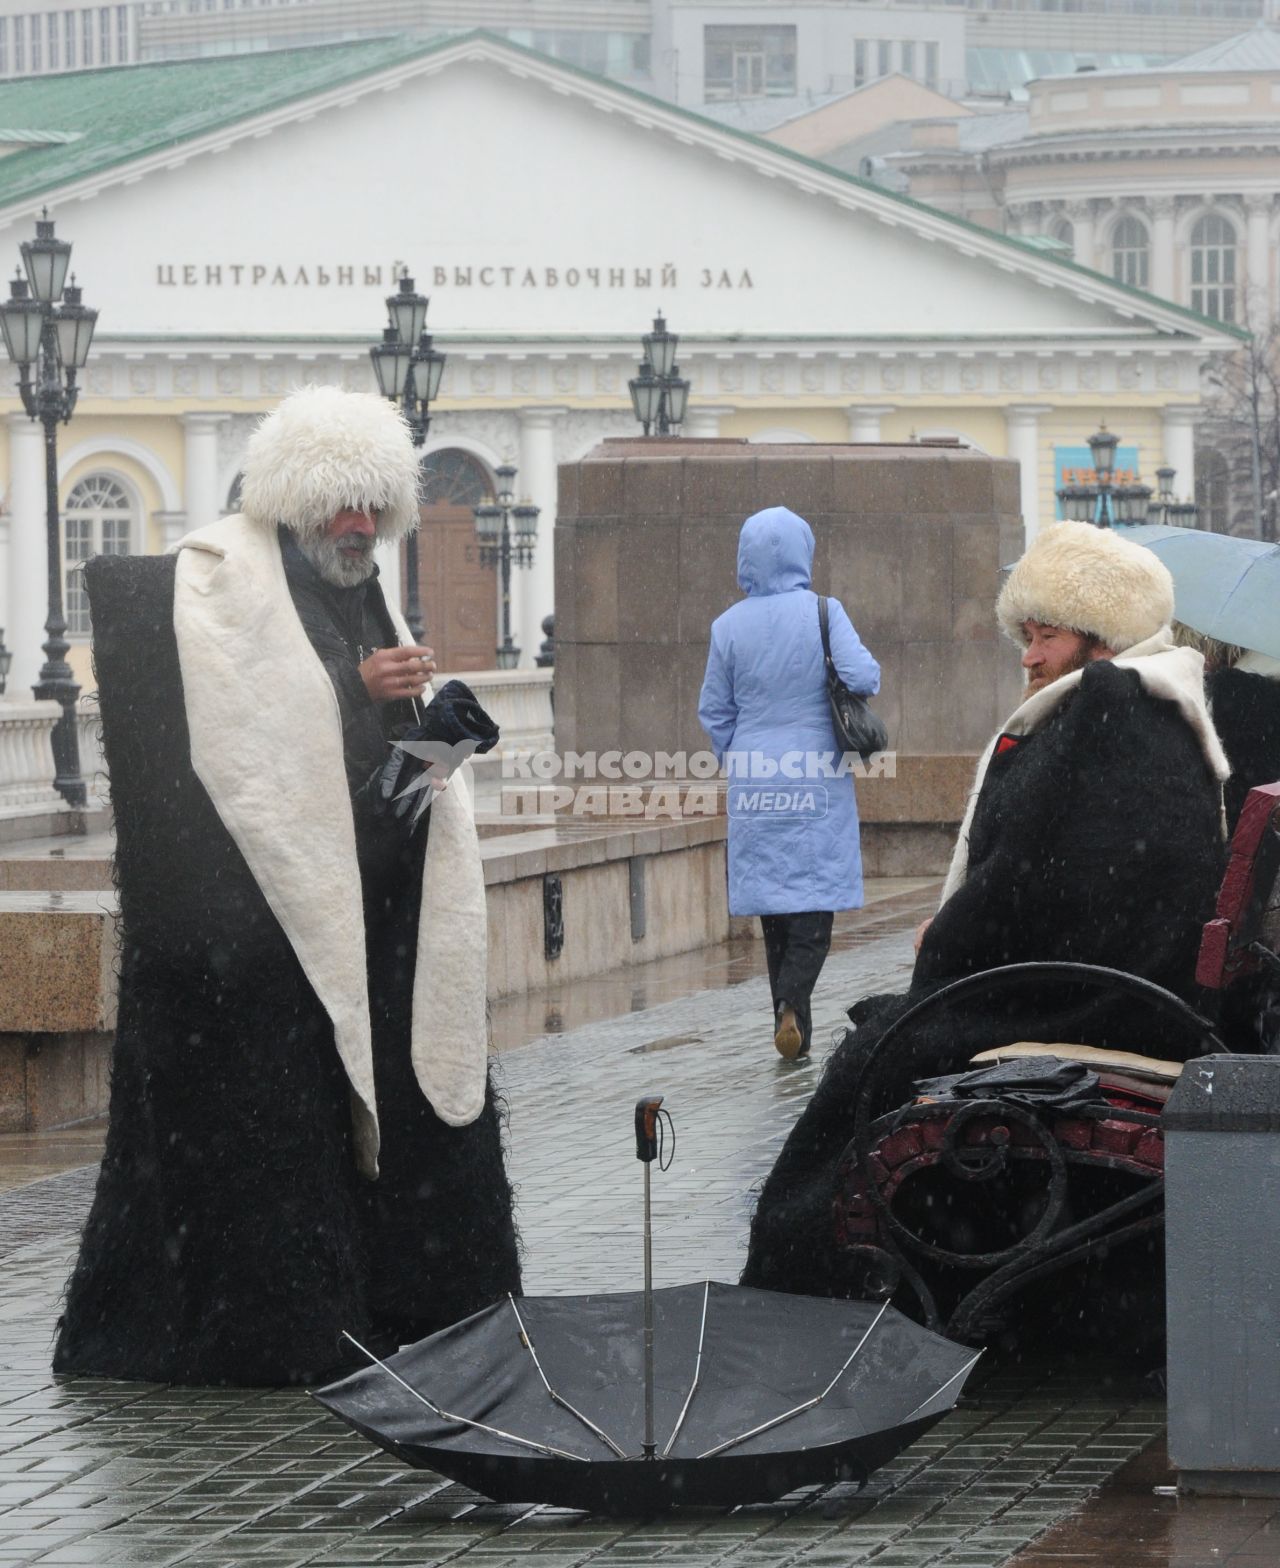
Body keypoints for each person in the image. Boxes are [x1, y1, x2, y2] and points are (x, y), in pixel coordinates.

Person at [53, 386, 521, 1386]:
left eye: (371, 512)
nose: (356, 530)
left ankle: (410, 1296)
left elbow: (366, 792)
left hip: (363, 897)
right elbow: (254, 748)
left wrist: (436, 734)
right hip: (259, 921)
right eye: (337, 511)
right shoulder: (222, 584)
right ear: (294, 505)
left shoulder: (358, 591)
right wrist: (358, 690)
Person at [742, 519, 1229, 1298]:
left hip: (1094, 1002)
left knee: (875, 1057)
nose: (1029, 656)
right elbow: (1060, 882)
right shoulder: (1144, 706)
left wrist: (947, 948)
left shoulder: (1108, 712)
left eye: (1046, 637)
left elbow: (1038, 886)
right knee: (885, 1029)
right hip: (1116, 987)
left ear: (1101, 638)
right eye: (1025, 635)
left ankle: (804, 1281)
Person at [698, 506, 880, 1060]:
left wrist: (741, 754)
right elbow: (863, 676)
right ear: (804, 550)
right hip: (816, 771)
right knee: (814, 896)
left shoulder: (727, 625)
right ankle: (794, 1004)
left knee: (775, 904)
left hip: (756, 774)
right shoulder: (825, 611)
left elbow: (714, 710)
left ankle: (787, 1012)